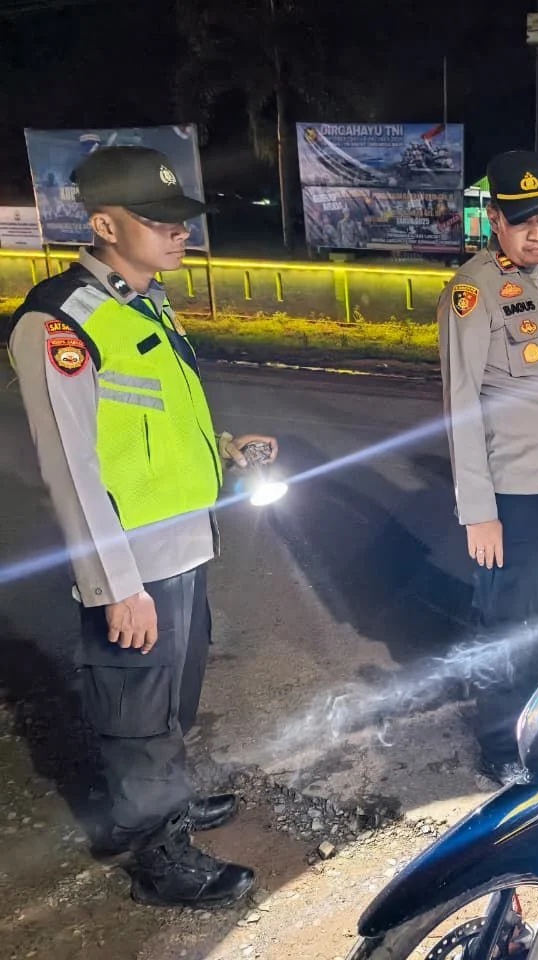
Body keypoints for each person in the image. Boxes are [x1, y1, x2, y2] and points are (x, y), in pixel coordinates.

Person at [6, 146, 277, 908]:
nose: (178, 232)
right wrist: (116, 586)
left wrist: (226, 448)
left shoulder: (145, 303)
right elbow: (73, 469)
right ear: (103, 225)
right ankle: (159, 858)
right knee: (135, 716)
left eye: (179, 219)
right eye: (157, 220)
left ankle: (169, 803)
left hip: (184, 547)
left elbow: (147, 426)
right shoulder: (60, 321)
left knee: (169, 703)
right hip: (133, 565)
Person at [439, 150, 538, 784]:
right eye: (524, 222)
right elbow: (460, 405)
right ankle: (500, 743)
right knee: (503, 620)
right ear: (494, 218)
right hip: (511, 496)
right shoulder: (471, 292)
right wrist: (479, 511)